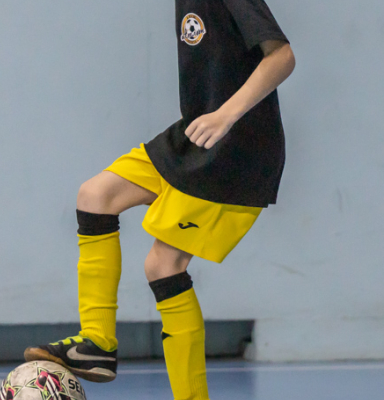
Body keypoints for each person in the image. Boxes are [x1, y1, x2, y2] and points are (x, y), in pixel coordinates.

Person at [24, 1, 295, 399]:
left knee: (163, 265)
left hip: (236, 153)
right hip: (194, 137)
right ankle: (97, 343)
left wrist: (226, 115)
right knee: (96, 195)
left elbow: (282, 56)